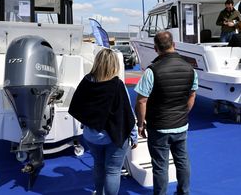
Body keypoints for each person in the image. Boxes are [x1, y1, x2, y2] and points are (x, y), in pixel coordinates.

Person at [134, 31, 198, 195]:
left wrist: (140, 124)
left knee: (160, 165)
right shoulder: (190, 69)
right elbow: (192, 95)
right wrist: (183, 112)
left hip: (159, 127)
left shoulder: (152, 71)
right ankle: (184, 192)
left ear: (155, 48)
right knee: (182, 161)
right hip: (181, 125)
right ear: (174, 45)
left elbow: (141, 101)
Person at [68, 48, 137, 195]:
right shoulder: (117, 85)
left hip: (92, 136)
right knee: (112, 171)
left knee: (99, 166)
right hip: (114, 136)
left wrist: (87, 122)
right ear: (114, 65)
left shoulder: (86, 82)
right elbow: (127, 111)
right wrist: (134, 135)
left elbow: (76, 106)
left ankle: (99, 193)